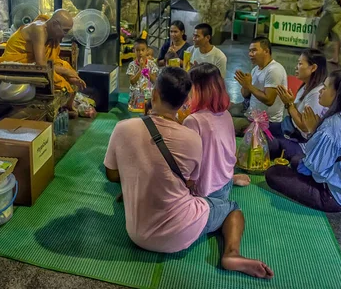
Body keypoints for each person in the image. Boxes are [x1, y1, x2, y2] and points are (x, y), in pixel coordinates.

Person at [104, 67, 273, 279]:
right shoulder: (193, 135)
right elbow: (191, 183)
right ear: (185, 100)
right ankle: (231, 253)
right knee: (233, 209)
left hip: (136, 233)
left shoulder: (122, 128)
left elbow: (112, 175)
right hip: (179, 232)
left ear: (153, 94)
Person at [265, 61, 341, 213]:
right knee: (297, 160)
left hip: (331, 195)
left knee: (273, 173)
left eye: (326, 87)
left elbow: (315, 167)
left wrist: (312, 131)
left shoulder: (333, 126)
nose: (321, 91)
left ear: (337, 94)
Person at [0, 10, 86, 113]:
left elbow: (51, 60)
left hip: (38, 63)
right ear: (54, 24)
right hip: (19, 64)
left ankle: (69, 105)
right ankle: (64, 105)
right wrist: (66, 72)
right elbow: (41, 65)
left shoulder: (49, 30)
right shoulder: (39, 29)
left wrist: (70, 75)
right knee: (61, 79)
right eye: (65, 31)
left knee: (65, 65)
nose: (65, 35)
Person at [183, 63, 251, 197]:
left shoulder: (193, 121)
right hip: (225, 184)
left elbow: (188, 167)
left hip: (204, 193)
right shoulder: (226, 114)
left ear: (196, 89)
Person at [271, 50, 328, 159]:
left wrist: (290, 104)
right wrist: (289, 104)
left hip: (301, 143)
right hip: (290, 129)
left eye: (300, 64)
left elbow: (305, 127)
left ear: (313, 68)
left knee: (270, 144)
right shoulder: (306, 86)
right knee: (263, 129)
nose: (296, 67)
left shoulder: (316, 94)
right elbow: (295, 113)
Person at [233, 37, 288, 137]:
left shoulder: (274, 70)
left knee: (227, 124)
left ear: (266, 51)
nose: (250, 54)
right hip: (250, 113)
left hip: (267, 123)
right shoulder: (255, 69)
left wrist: (249, 86)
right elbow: (246, 95)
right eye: (249, 51)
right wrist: (245, 85)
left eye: (254, 50)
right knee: (223, 111)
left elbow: (269, 100)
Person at [127, 38, 159, 110]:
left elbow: (154, 81)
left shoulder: (151, 64)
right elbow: (132, 82)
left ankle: (147, 105)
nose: (140, 53)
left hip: (148, 92)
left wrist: (146, 70)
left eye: (143, 50)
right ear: (134, 51)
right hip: (136, 93)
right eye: (138, 50)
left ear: (146, 51)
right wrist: (140, 70)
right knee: (139, 103)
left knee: (152, 99)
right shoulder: (131, 65)